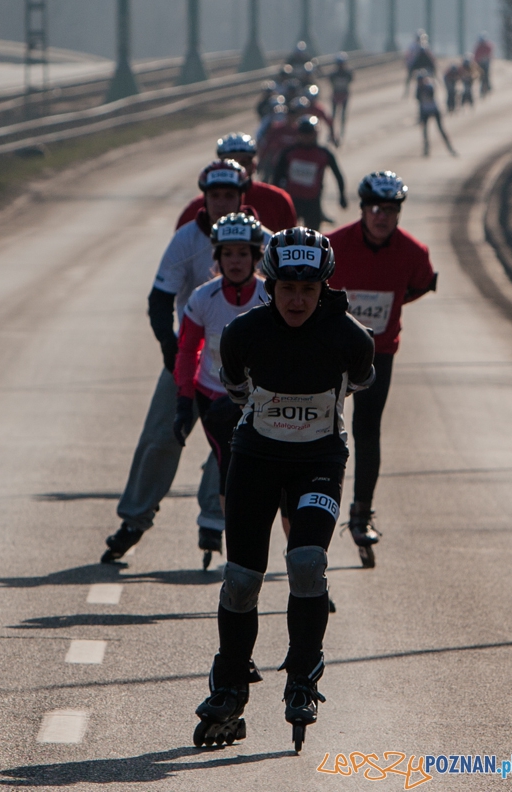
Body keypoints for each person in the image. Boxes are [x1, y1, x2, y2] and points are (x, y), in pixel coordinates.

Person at [193, 227, 375, 752]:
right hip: (256, 460)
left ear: (323, 288)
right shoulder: (243, 332)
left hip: (317, 461)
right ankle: (228, 684)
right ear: (269, 285)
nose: (296, 299)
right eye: (286, 288)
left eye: (308, 289)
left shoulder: (349, 337)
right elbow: (232, 386)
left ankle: (303, 674)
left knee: (306, 562)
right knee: (242, 577)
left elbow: (361, 379)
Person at [100, 159, 254, 565]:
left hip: (250, 368)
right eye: (215, 196)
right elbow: (158, 299)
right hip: (193, 349)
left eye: (230, 196)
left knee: (234, 445)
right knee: (161, 434)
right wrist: (171, 349)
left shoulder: (264, 242)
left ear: (243, 197)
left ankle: (214, 517)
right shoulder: (188, 238)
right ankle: (135, 517)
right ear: (205, 198)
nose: (222, 203)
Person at [326, 171, 437, 568]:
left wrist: (392, 306)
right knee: (322, 428)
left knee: (367, 429)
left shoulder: (413, 252)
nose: (382, 217)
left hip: (378, 351)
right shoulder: (335, 245)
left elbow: (422, 284)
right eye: (375, 209)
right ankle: (314, 505)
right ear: (363, 209)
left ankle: (361, 512)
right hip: (331, 352)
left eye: (390, 210)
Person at [172, 213, 267, 566]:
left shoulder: (270, 296)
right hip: (214, 396)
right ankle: (237, 552)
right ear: (217, 257)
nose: (236, 261)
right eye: (228, 254)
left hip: (261, 400)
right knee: (230, 464)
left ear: (256, 256)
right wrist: (184, 402)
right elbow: (187, 350)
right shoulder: (203, 297)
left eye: (243, 253)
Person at [175, 133, 297, 234]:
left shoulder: (278, 200)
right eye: (230, 161)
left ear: (254, 165)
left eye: (244, 162)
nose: (237, 168)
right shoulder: (195, 209)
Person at [273, 116, 347, 231]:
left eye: (309, 133)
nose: (306, 137)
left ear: (316, 134)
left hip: (313, 202)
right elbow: (277, 177)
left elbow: (338, 175)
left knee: (313, 237)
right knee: (286, 235)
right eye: (303, 133)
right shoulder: (288, 153)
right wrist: (276, 200)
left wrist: (342, 196)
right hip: (292, 201)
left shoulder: (324, 154)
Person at [415, 70, 457, 157]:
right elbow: (419, 101)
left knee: (441, 130)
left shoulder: (428, 86)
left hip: (434, 110)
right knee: (425, 131)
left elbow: (431, 93)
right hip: (425, 111)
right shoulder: (418, 89)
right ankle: (426, 149)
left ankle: (450, 148)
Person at [329, 52, 353, 138]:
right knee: (333, 114)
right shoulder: (333, 74)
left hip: (344, 95)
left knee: (343, 114)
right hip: (336, 95)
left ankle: (342, 130)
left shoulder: (348, 73)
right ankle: (331, 131)